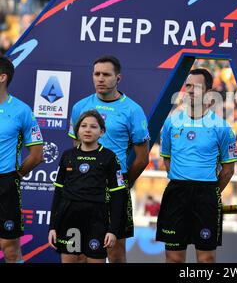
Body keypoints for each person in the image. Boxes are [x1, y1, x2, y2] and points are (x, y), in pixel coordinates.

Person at [68, 55, 149, 263]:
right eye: (97, 74)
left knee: (116, 252)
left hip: (114, 186)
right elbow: (75, 150)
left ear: (118, 78)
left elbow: (142, 158)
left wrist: (122, 184)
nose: (100, 79)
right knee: (81, 252)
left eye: (106, 74)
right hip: (84, 187)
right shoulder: (80, 106)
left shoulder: (133, 110)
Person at [156, 68, 237, 263]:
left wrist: (211, 193)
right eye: (188, 86)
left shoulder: (222, 127)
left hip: (206, 195)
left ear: (209, 92)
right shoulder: (171, 123)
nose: (191, 90)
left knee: (206, 259)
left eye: (197, 87)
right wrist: (181, 179)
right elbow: (166, 158)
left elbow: (228, 170)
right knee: (174, 259)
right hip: (176, 192)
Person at [49, 110, 127, 263]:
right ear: (77, 131)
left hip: (96, 220)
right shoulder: (67, 156)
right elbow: (58, 192)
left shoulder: (109, 157)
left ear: (102, 132)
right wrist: (52, 226)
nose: (88, 130)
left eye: (93, 127)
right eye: (83, 126)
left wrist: (113, 230)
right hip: (69, 218)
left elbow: (118, 196)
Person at [0, 56, 43, 263]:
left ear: (2, 77)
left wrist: (16, 175)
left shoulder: (21, 110)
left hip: (6, 184)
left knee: (10, 249)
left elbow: (37, 155)